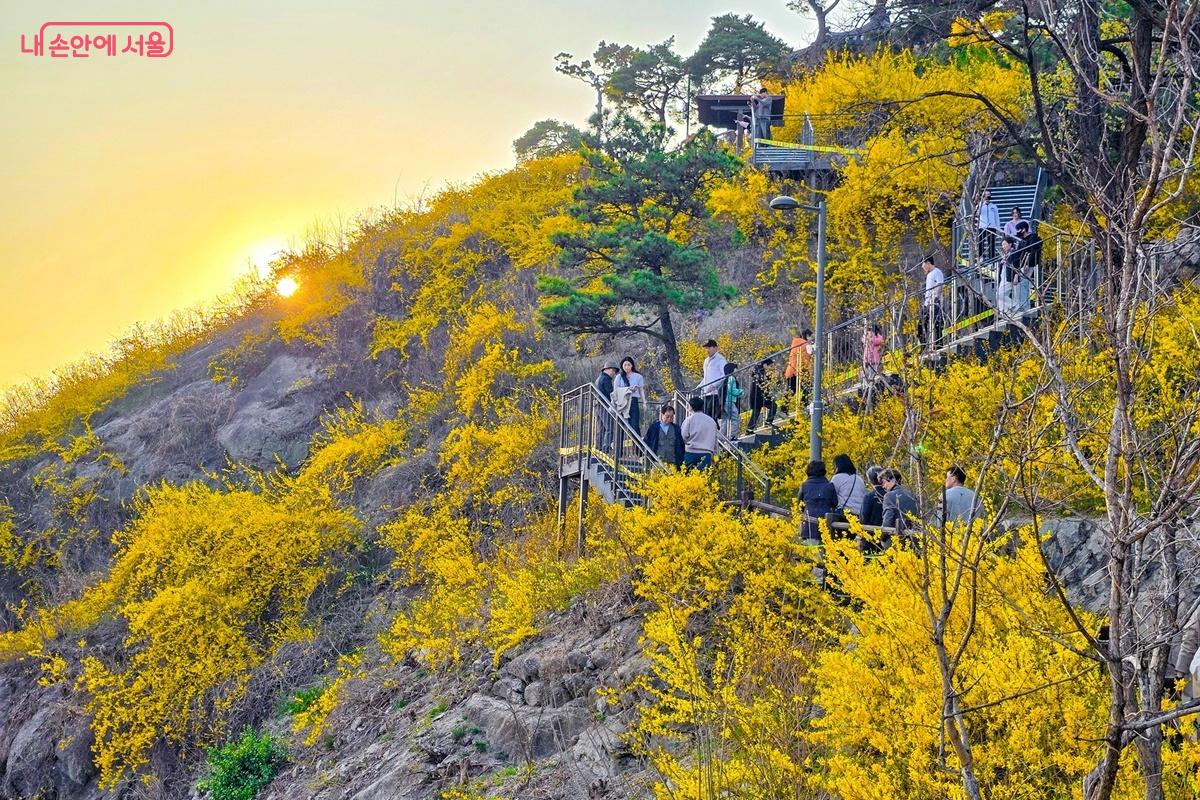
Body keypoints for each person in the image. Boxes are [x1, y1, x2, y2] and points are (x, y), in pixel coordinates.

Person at [798, 460, 838, 542]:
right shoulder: (829, 486)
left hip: (809, 523)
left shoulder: (804, 486)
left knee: (811, 551)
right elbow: (835, 503)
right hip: (826, 524)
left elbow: (800, 504)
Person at [681, 395, 718, 470]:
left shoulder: (689, 420)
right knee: (704, 477)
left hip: (691, 452)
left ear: (691, 407)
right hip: (706, 453)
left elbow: (683, 436)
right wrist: (716, 455)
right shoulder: (711, 421)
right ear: (702, 406)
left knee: (689, 477)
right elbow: (715, 439)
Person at [880, 468, 919, 537]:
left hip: (895, 537)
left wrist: (882, 537)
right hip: (913, 536)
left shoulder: (889, 496)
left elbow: (887, 521)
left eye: (883, 482)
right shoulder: (912, 495)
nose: (883, 486)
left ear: (892, 480)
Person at [642, 403, 684, 468]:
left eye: (671, 417)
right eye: (667, 417)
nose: (670, 419)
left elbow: (681, 445)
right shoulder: (654, 427)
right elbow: (647, 441)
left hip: (672, 462)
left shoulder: (676, 429)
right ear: (662, 415)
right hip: (657, 462)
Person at [830, 454, 866, 525]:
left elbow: (832, 496)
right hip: (858, 515)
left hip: (844, 516)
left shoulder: (837, 478)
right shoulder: (859, 479)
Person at [615, 356, 646, 432]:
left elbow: (641, 390)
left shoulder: (638, 376)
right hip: (622, 401)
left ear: (632, 365)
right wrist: (627, 389)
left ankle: (636, 443)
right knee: (620, 424)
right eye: (625, 365)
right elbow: (615, 390)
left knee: (634, 424)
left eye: (628, 365)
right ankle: (619, 442)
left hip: (633, 400)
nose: (626, 367)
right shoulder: (619, 377)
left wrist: (644, 402)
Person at [699, 339, 727, 421]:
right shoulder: (706, 361)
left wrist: (714, 385)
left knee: (711, 415)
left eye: (709, 347)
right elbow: (706, 376)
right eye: (706, 348)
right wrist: (700, 386)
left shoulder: (721, 360)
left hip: (715, 393)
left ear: (715, 348)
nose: (707, 350)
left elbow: (724, 375)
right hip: (705, 393)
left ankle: (714, 431)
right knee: (705, 415)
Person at [593, 363, 619, 450]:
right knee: (610, 427)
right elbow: (610, 393)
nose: (613, 373)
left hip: (598, 405)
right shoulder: (606, 379)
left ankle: (598, 447)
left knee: (602, 428)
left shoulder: (599, 378)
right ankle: (606, 447)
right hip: (604, 405)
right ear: (606, 369)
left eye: (614, 372)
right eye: (612, 370)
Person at [746, 358, 777, 430]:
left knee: (756, 412)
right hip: (759, 396)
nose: (771, 368)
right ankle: (768, 421)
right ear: (765, 365)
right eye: (770, 366)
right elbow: (762, 381)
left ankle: (749, 429)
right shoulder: (759, 372)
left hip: (757, 396)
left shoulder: (760, 371)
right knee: (773, 405)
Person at [922, 256, 945, 348]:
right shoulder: (929, 275)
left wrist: (936, 297)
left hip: (935, 302)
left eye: (923, 265)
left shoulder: (937, 272)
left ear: (928, 263)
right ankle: (923, 346)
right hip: (927, 303)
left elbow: (940, 284)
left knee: (936, 323)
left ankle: (939, 344)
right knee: (922, 323)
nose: (923, 267)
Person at [785, 327, 812, 399]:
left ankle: (804, 405)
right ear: (806, 336)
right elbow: (809, 350)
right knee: (793, 391)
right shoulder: (799, 342)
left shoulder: (800, 342)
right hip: (795, 371)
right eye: (810, 337)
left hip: (798, 371)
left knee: (806, 389)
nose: (811, 339)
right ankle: (784, 409)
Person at [976, 190, 1001, 259]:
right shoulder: (980, 205)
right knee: (981, 243)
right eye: (985, 195)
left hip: (991, 227)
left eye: (988, 195)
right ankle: (980, 258)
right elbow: (977, 214)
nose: (987, 196)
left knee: (991, 244)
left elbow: (997, 218)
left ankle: (991, 259)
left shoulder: (994, 206)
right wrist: (980, 204)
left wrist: (998, 227)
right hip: (982, 227)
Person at [721, 363, 744, 439]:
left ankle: (721, 437)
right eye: (735, 368)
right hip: (729, 401)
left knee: (724, 419)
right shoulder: (732, 378)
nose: (737, 370)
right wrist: (740, 392)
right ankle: (733, 436)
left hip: (724, 401)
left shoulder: (726, 378)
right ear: (732, 369)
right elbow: (731, 390)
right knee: (735, 417)